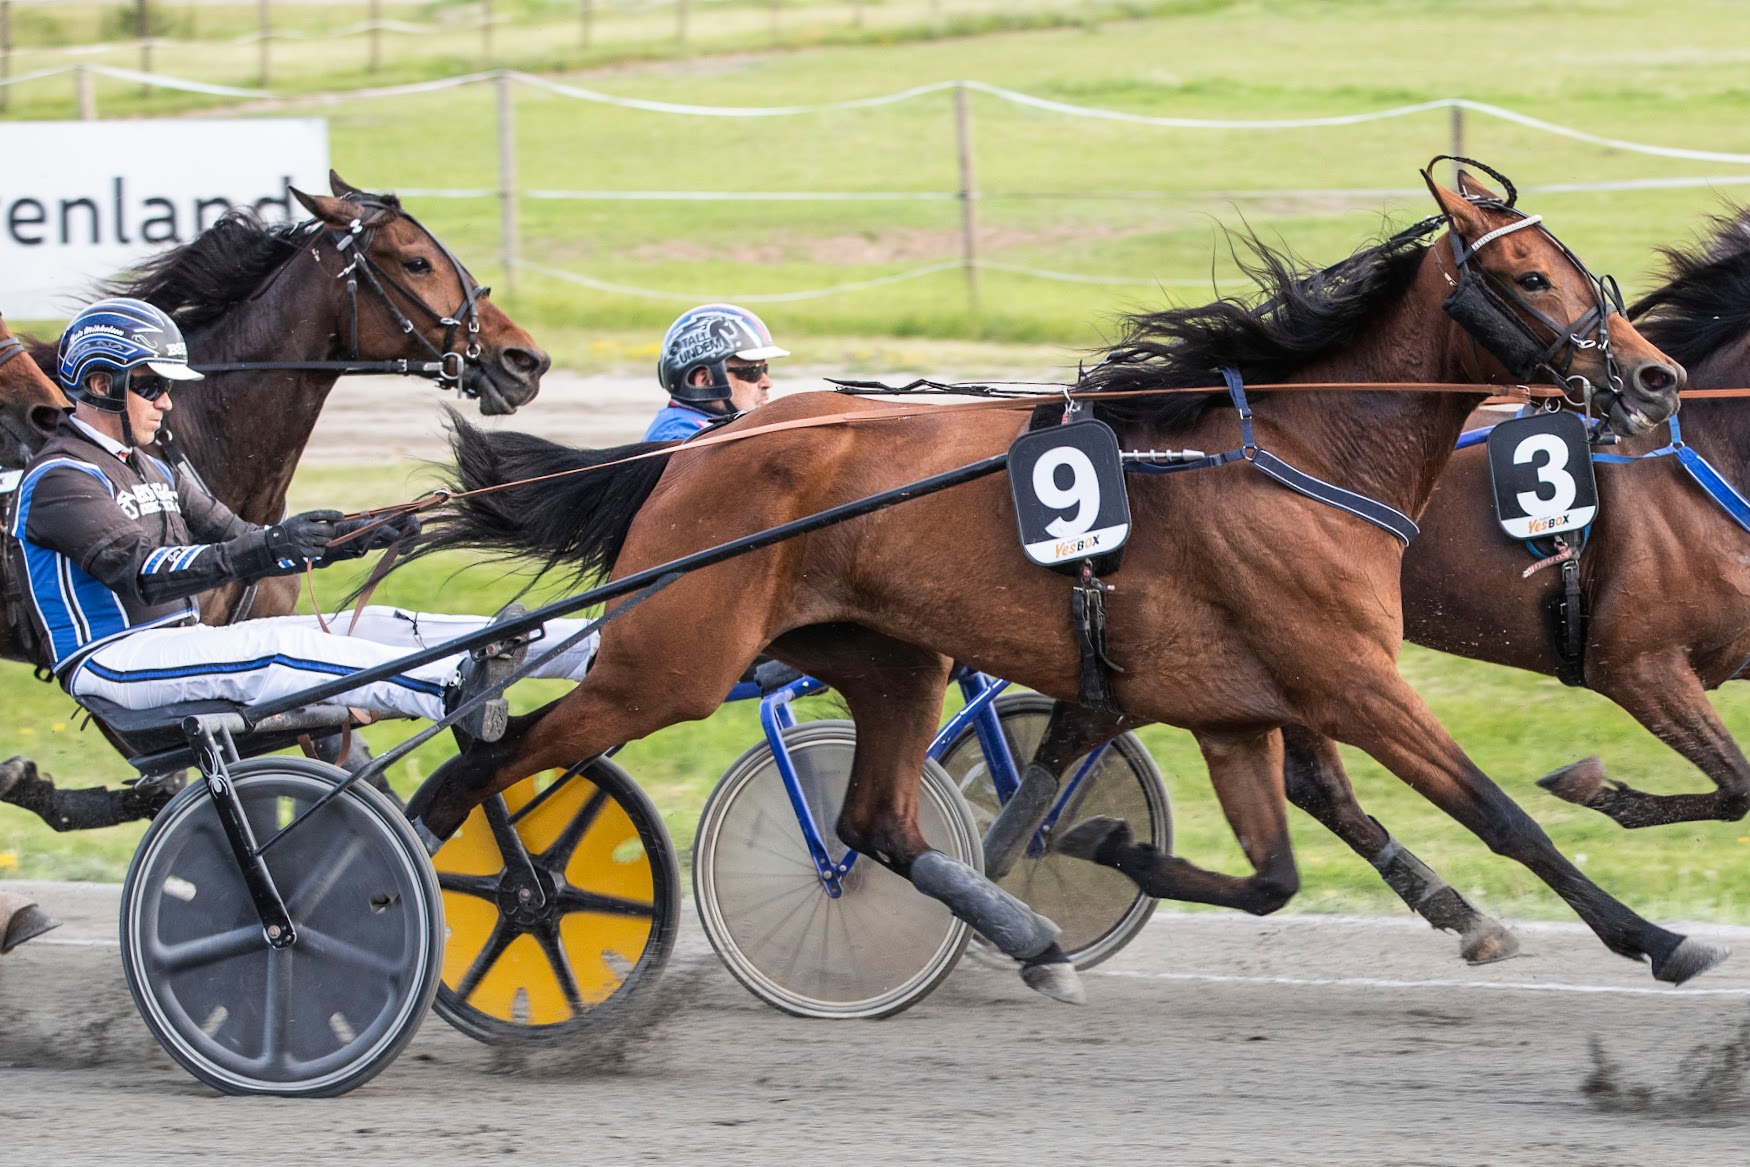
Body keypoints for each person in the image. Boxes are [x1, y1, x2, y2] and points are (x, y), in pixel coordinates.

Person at [5, 297, 597, 737]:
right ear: (101, 384)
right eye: (152, 385)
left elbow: (243, 537)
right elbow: (142, 572)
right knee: (278, 645)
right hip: (115, 661)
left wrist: (354, 535)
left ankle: (581, 647)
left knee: (382, 624)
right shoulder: (61, 478)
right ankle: (453, 690)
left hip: (176, 645)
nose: (166, 400)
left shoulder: (157, 465)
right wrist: (266, 550)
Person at [643, 304, 789, 442]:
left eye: (764, 369)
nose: (767, 383)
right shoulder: (677, 435)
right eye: (752, 372)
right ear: (706, 380)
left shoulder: (711, 425)